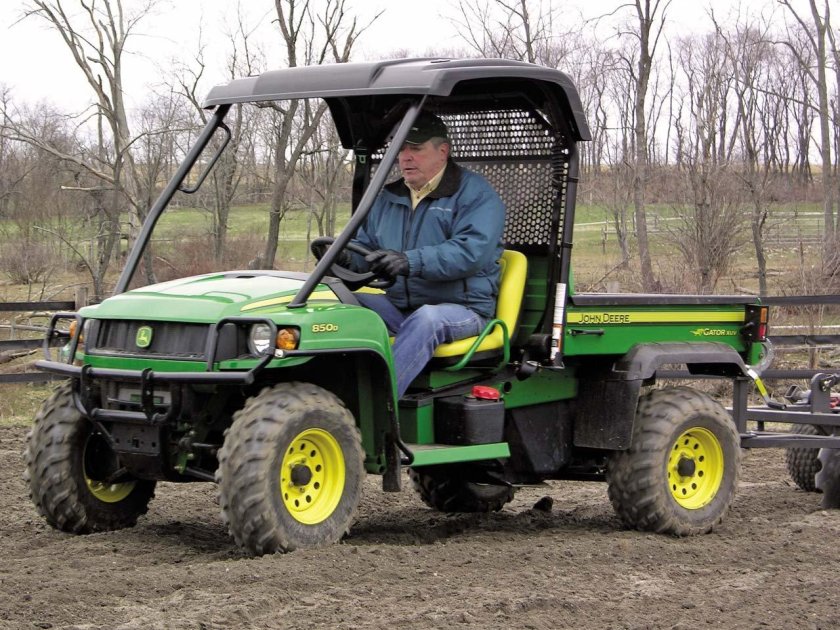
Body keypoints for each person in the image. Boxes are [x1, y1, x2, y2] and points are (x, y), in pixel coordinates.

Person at [349, 112, 506, 398]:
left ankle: (378, 408)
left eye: (416, 148)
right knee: (341, 302)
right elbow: (367, 247)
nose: (406, 157)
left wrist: (411, 261)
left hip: (464, 310)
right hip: (401, 308)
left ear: (442, 151)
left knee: (427, 320)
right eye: (400, 149)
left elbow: (470, 252)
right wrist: (346, 260)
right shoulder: (388, 198)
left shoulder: (476, 196)